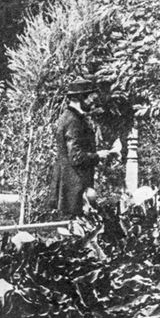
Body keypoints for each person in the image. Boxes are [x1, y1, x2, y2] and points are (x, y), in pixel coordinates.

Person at [49, 77, 112, 218]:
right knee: (76, 231)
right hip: (74, 189)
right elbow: (76, 157)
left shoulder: (70, 117)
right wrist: (98, 155)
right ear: (80, 98)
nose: (92, 103)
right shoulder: (73, 121)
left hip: (71, 187)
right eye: (90, 98)